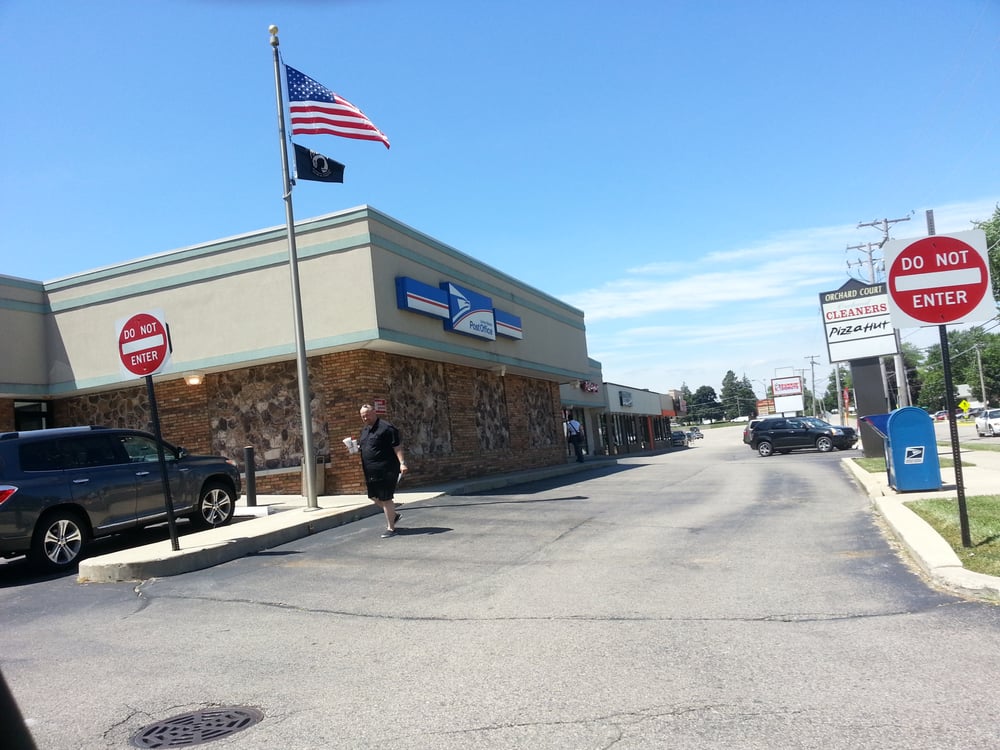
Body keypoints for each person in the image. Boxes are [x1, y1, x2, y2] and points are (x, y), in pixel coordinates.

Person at [358, 403, 409, 538]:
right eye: (363, 416)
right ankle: (394, 515)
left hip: (386, 469)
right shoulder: (366, 430)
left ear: (374, 413)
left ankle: (391, 528)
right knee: (373, 496)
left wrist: (402, 463)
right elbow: (366, 446)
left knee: (386, 498)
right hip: (370, 471)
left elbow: (397, 447)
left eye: (367, 415)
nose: (365, 418)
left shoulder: (386, 428)